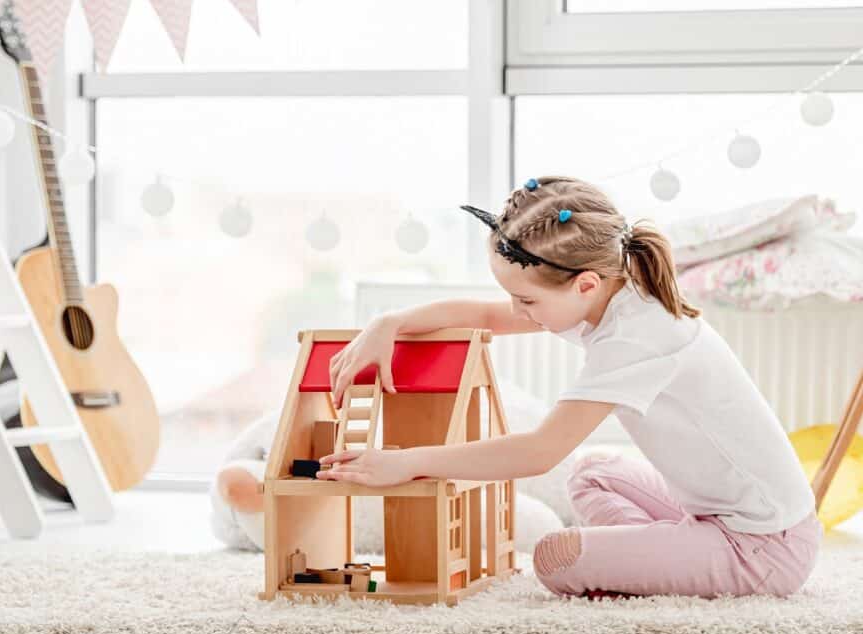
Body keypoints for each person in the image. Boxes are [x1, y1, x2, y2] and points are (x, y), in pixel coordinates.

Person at [317, 175, 822, 600]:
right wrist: (389, 321)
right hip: (720, 515)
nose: (517, 313)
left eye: (526, 302)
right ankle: (667, 554)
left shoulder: (639, 335)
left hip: (763, 546)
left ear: (584, 284)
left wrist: (407, 462)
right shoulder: (611, 287)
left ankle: (667, 558)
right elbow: (484, 315)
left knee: (555, 559)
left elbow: (539, 452)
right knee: (591, 473)